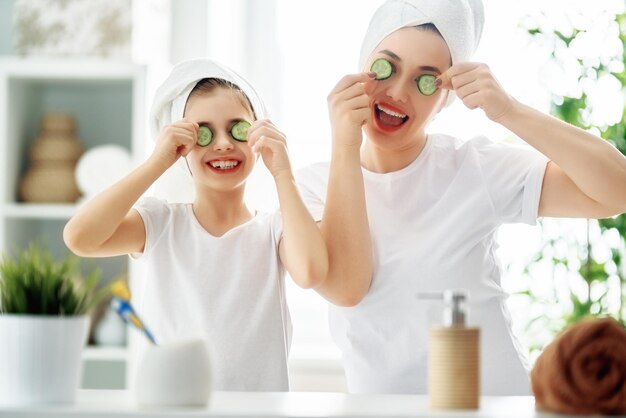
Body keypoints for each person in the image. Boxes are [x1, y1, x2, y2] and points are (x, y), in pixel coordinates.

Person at [296, 0, 626, 395]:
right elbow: (347, 287)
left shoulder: (474, 167)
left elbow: (616, 192)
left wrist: (510, 111)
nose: (398, 92)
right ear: (361, 68)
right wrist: (345, 145)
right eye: (387, 67)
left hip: (495, 405)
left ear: (445, 97)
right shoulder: (312, 187)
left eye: (425, 80)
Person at [63, 58, 328, 391]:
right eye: (204, 133)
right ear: (182, 147)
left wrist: (283, 173)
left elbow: (312, 272)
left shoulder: (273, 231)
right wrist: (158, 161)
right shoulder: (160, 223)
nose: (222, 143)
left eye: (237, 129)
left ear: (257, 137)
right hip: (172, 408)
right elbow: (79, 238)